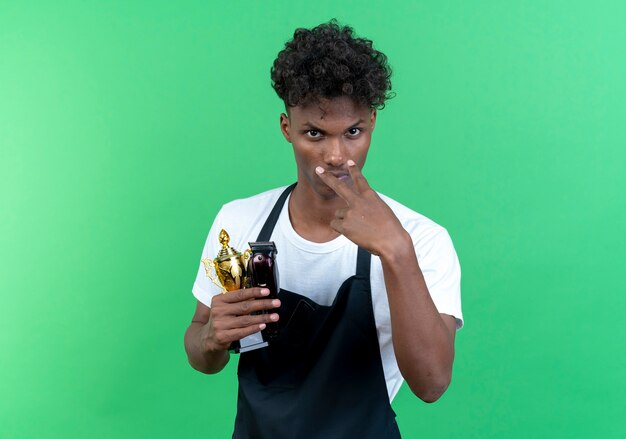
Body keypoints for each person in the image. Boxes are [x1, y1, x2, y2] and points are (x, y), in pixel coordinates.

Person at [184, 20, 463, 438]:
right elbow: (202, 354)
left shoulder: (421, 238)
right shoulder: (239, 222)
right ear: (286, 129)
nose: (335, 156)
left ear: (372, 123)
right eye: (315, 133)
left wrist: (396, 252)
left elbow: (432, 384)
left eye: (353, 132)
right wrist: (209, 338)